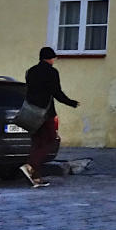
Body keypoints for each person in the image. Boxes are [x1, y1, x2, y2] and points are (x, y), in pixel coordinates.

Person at [21, 46, 79, 187]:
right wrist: (70, 102)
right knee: (51, 141)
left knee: (37, 143)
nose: (54, 60)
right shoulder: (51, 72)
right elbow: (56, 92)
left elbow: (29, 90)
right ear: (50, 58)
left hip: (31, 111)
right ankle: (30, 166)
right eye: (53, 58)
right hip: (46, 112)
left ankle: (36, 178)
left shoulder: (31, 71)